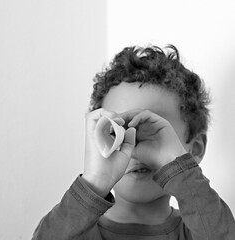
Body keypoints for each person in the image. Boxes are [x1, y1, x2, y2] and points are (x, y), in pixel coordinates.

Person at [32, 45, 235, 239]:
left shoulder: (202, 231)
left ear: (195, 148)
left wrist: (179, 168)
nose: (134, 149)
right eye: (116, 131)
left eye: (152, 131)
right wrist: (94, 182)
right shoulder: (76, 231)